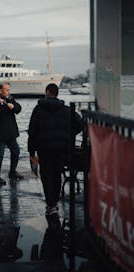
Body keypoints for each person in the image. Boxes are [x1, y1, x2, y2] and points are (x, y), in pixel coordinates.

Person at [28, 83, 83, 221]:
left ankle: (50, 204)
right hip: (61, 148)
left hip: (43, 148)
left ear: (47, 92)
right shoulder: (66, 110)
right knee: (57, 174)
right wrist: (69, 134)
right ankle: (55, 202)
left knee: (46, 176)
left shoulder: (38, 110)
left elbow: (32, 131)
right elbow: (80, 124)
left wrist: (31, 150)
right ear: (57, 93)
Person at [0, 83, 23, 185]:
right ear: (0, 91)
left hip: (11, 133)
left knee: (16, 152)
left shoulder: (10, 98)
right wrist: (1, 104)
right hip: (0, 134)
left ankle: (12, 172)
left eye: (9, 90)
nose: (9, 92)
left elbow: (18, 109)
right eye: (7, 90)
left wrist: (12, 106)